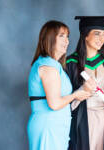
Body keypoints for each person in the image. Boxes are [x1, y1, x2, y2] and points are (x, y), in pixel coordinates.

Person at [66, 16, 104, 150]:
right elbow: (63, 99)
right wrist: (82, 91)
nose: (102, 38)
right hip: (82, 120)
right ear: (85, 35)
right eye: (97, 34)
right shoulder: (71, 63)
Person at [27, 20, 91, 150]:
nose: (67, 41)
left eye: (67, 36)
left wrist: (82, 90)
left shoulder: (55, 65)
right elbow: (55, 104)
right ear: (49, 38)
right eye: (61, 36)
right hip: (48, 126)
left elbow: (62, 99)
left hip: (56, 126)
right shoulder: (48, 66)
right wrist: (75, 95)